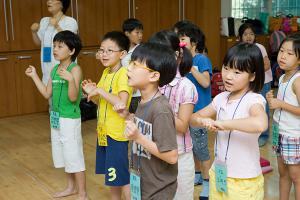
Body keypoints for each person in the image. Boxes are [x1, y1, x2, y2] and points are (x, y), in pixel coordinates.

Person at [190, 42, 267, 200]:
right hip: (219, 172)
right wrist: (202, 120)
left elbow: (260, 123)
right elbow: (192, 119)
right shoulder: (221, 98)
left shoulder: (253, 99)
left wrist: (223, 124)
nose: (228, 76)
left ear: (252, 76)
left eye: (237, 72)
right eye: (226, 68)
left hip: (244, 180)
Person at [25, 30, 88, 200]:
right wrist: (34, 76)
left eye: (60, 46)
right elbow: (46, 94)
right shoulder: (54, 70)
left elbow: (74, 97)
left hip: (70, 118)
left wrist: (70, 80)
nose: (55, 49)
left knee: (74, 155)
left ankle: (82, 193)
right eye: (54, 46)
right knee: (62, 154)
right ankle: (71, 187)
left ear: (72, 50)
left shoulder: (75, 69)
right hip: (56, 118)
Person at [115, 42, 178, 199]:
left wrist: (138, 138)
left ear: (154, 76)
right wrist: (128, 116)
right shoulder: (143, 101)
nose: (129, 68)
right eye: (131, 63)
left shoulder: (161, 109)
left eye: (135, 65)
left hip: (158, 189)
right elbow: (147, 128)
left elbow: (171, 156)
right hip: (142, 182)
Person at [82, 31, 132, 200]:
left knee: (123, 177)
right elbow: (101, 103)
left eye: (110, 50)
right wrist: (93, 94)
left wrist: (100, 91)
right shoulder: (106, 72)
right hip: (104, 132)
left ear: (122, 54)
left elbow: (121, 103)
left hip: (117, 135)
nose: (104, 54)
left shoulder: (124, 74)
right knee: (113, 177)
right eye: (102, 50)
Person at [148, 30, 197, 200]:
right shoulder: (152, 82)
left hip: (180, 155)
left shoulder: (185, 86)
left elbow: (183, 126)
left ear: (176, 55)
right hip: (155, 152)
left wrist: (158, 110)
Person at [178, 24, 212, 199]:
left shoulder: (201, 60)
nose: (179, 42)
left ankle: (207, 182)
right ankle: (198, 175)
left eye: (183, 39)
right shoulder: (183, 59)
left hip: (200, 113)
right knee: (191, 148)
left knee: (201, 149)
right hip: (186, 113)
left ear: (194, 42)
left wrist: (190, 65)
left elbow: (206, 83)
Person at [266, 34, 300, 200]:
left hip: (293, 135)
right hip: (279, 132)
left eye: (290, 53)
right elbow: (282, 103)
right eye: (281, 51)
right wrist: (272, 101)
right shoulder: (282, 77)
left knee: (296, 177)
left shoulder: (298, 80)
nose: (283, 56)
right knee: (283, 173)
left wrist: (280, 104)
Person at [238, 23, 272, 147]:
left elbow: (267, 65)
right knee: (251, 107)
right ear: (240, 36)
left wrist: (253, 72)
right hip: (249, 81)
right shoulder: (241, 49)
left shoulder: (259, 47)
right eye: (245, 34)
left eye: (251, 34)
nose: (249, 37)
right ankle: (253, 133)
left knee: (263, 108)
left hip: (263, 82)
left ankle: (263, 135)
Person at [31, 0, 78, 85]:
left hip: (64, 68)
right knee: (49, 96)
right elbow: (38, 43)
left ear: (61, 4)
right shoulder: (44, 21)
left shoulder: (70, 21)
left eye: (52, 0)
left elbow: (70, 42)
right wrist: (33, 32)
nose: (49, 2)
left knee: (63, 95)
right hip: (47, 64)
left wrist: (57, 26)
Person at [121, 18, 144, 113]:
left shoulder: (141, 49)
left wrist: (135, 83)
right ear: (127, 33)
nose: (140, 36)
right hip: (125, 91)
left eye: (141, 33)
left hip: (137, 94)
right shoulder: (122, 50)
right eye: (137, 32)